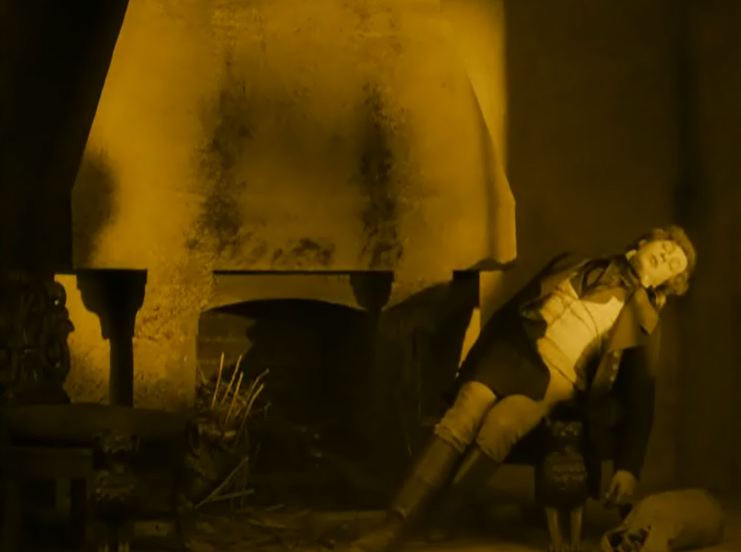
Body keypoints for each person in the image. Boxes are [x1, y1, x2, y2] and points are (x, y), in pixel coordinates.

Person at [346, 225, 697, 552]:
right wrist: (482, 357)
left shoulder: (644, 323)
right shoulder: (574, 263)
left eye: (673, 264)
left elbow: (642, 396)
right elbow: (513, 310)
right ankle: (395, 523)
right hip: (513, 350)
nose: (666, 256)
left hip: (558, 378)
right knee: (462, 417)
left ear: (663, 284)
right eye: (666, 247)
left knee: (500, 428)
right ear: (643, 243)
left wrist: (629, 467)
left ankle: (444, 514)